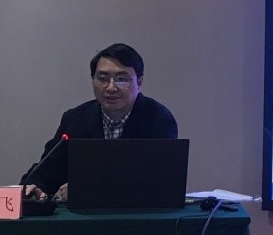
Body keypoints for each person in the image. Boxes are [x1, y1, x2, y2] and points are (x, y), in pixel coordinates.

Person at [23, 43, 178, 199]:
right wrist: (35, 185)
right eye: (103, 79)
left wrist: (88, 189)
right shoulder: (76, 119)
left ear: (139, 82)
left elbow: (161, 181)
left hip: (141, 212)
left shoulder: (158, 119)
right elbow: (48, 170)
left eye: (121, 79)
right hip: (84, 214)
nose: (111, 88)